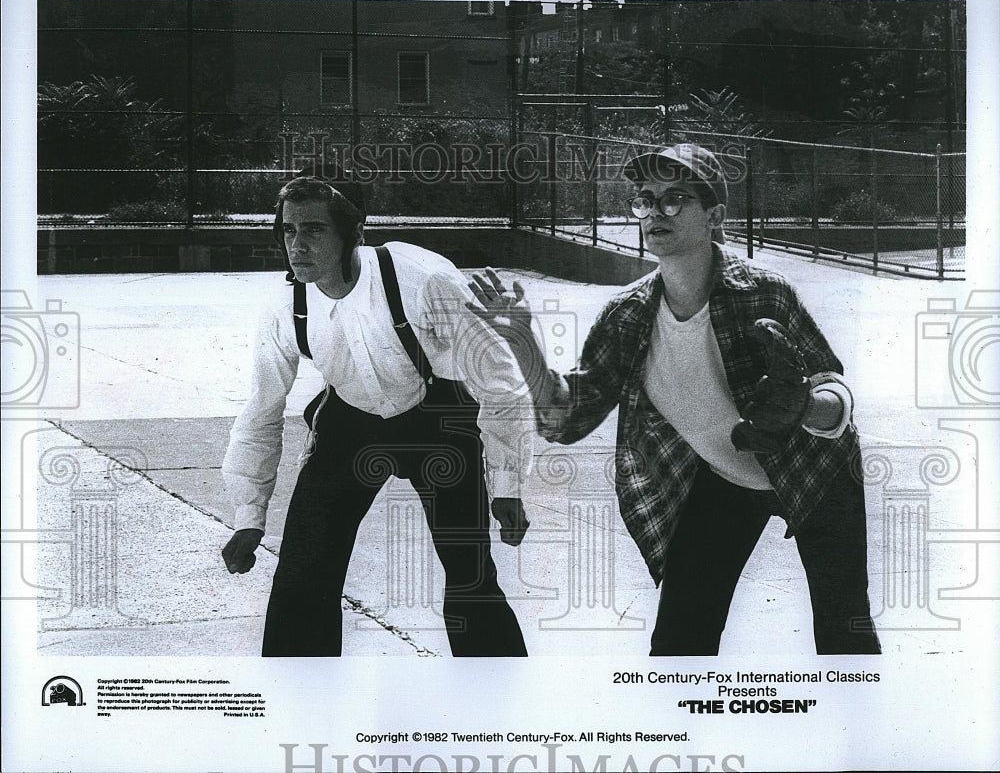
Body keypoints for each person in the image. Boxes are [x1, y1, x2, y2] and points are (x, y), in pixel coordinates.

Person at [469, 143, 880, 655]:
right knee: (680, 642)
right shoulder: (627, 316)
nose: (655, 212)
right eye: (645, 199)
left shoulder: (766, 292)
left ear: (715, 216)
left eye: (675, 198)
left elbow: (834, 388)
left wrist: (804, 406)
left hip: (815, 470)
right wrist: (523, 343)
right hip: (722, 475)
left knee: (845, 627)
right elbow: (564, 421)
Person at [221, 167, 533, 657]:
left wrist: (508, 484)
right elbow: (261, 410)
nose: (296, 244)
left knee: (470, 576)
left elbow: (499, 380)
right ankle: (298, 702)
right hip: (350, 426)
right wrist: (248, 514)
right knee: (302, 575)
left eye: (314, 229)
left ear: (355, 233)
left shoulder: (424, 280)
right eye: (288, 229)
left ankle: (498, 695)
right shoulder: (285, 308)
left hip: (438, 421)